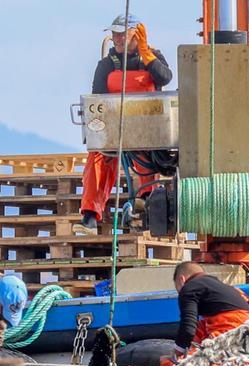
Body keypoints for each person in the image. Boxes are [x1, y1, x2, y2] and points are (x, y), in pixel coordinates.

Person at [74, 13, 174, 235]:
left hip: (148, 131)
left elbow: (165, 77)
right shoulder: (107, 64)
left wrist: (147, 55)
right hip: (114, 130)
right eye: (115, 35)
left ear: (136, 35)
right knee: (98, 158)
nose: (117, 39)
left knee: (148, 160)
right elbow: (97, 99)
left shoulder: (152, 58)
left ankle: (146, 206)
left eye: (122, 34)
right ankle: (90, 216)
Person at [170, 261, 249, 361]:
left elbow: (188, 326)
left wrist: (178, 352)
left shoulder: (189, 287)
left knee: (178, 363)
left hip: (231, 325)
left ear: (182, 280)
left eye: (178, 290)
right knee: (201, 326)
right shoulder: (222, 286)